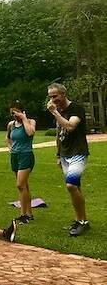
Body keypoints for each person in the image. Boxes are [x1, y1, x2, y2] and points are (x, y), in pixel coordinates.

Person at [47, 83, 90, 236]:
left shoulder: (75, 109)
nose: (53, 99)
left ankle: (82, 222)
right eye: (50, 97)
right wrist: (58, 155)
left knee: (71, 185)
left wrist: (55, 113)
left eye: (55, 96)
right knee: (76, 188)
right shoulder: (59, 111)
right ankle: (80, 220)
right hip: (65, 154)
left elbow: (71, 126)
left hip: (78, 152)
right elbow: (59, 134)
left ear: (63, 94)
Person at [6, 101, 36, 224]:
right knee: (24, 186)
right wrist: (10, 147)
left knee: (20, 185)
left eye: (16, 112)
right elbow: (8, 138)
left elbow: (30, 133)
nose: (14, 115)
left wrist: (24, 118)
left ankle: (23, 214)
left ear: (22, 111)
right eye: (12, 112)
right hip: (15, 156)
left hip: (26, 155)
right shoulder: (11, 125)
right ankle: (29, 213)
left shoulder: (30, 122)